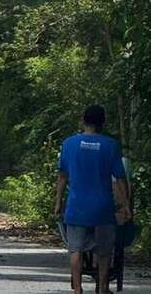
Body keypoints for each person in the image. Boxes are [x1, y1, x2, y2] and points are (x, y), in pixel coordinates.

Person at [55, 105, 131, 294]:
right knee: (104, 252)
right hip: (102, 208)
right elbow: (120, 179)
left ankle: (78, 289)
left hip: (77, 207)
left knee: (75, 249)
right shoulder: (110, 145)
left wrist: (58, 203)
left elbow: (62, 177)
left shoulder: (69, 144)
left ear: (83, 120)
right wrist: (126, 205)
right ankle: (104, 287)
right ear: (102, 122)